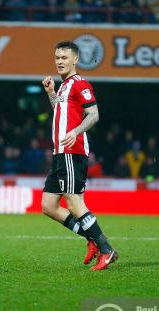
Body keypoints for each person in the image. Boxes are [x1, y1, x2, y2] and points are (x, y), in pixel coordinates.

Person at [41, 41, 118, 271]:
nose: (59, 61)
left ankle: (106, 249)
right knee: (49, 206)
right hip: (59, 153)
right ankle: (91, 239)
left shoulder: (80, 83)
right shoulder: (64, 86)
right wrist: (51, 93)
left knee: (75, 203)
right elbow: (62, 112)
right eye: (57, 57)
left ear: (75, 60)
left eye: (64, 57)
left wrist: (75, 132)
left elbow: (93, 115)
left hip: (72, 152)